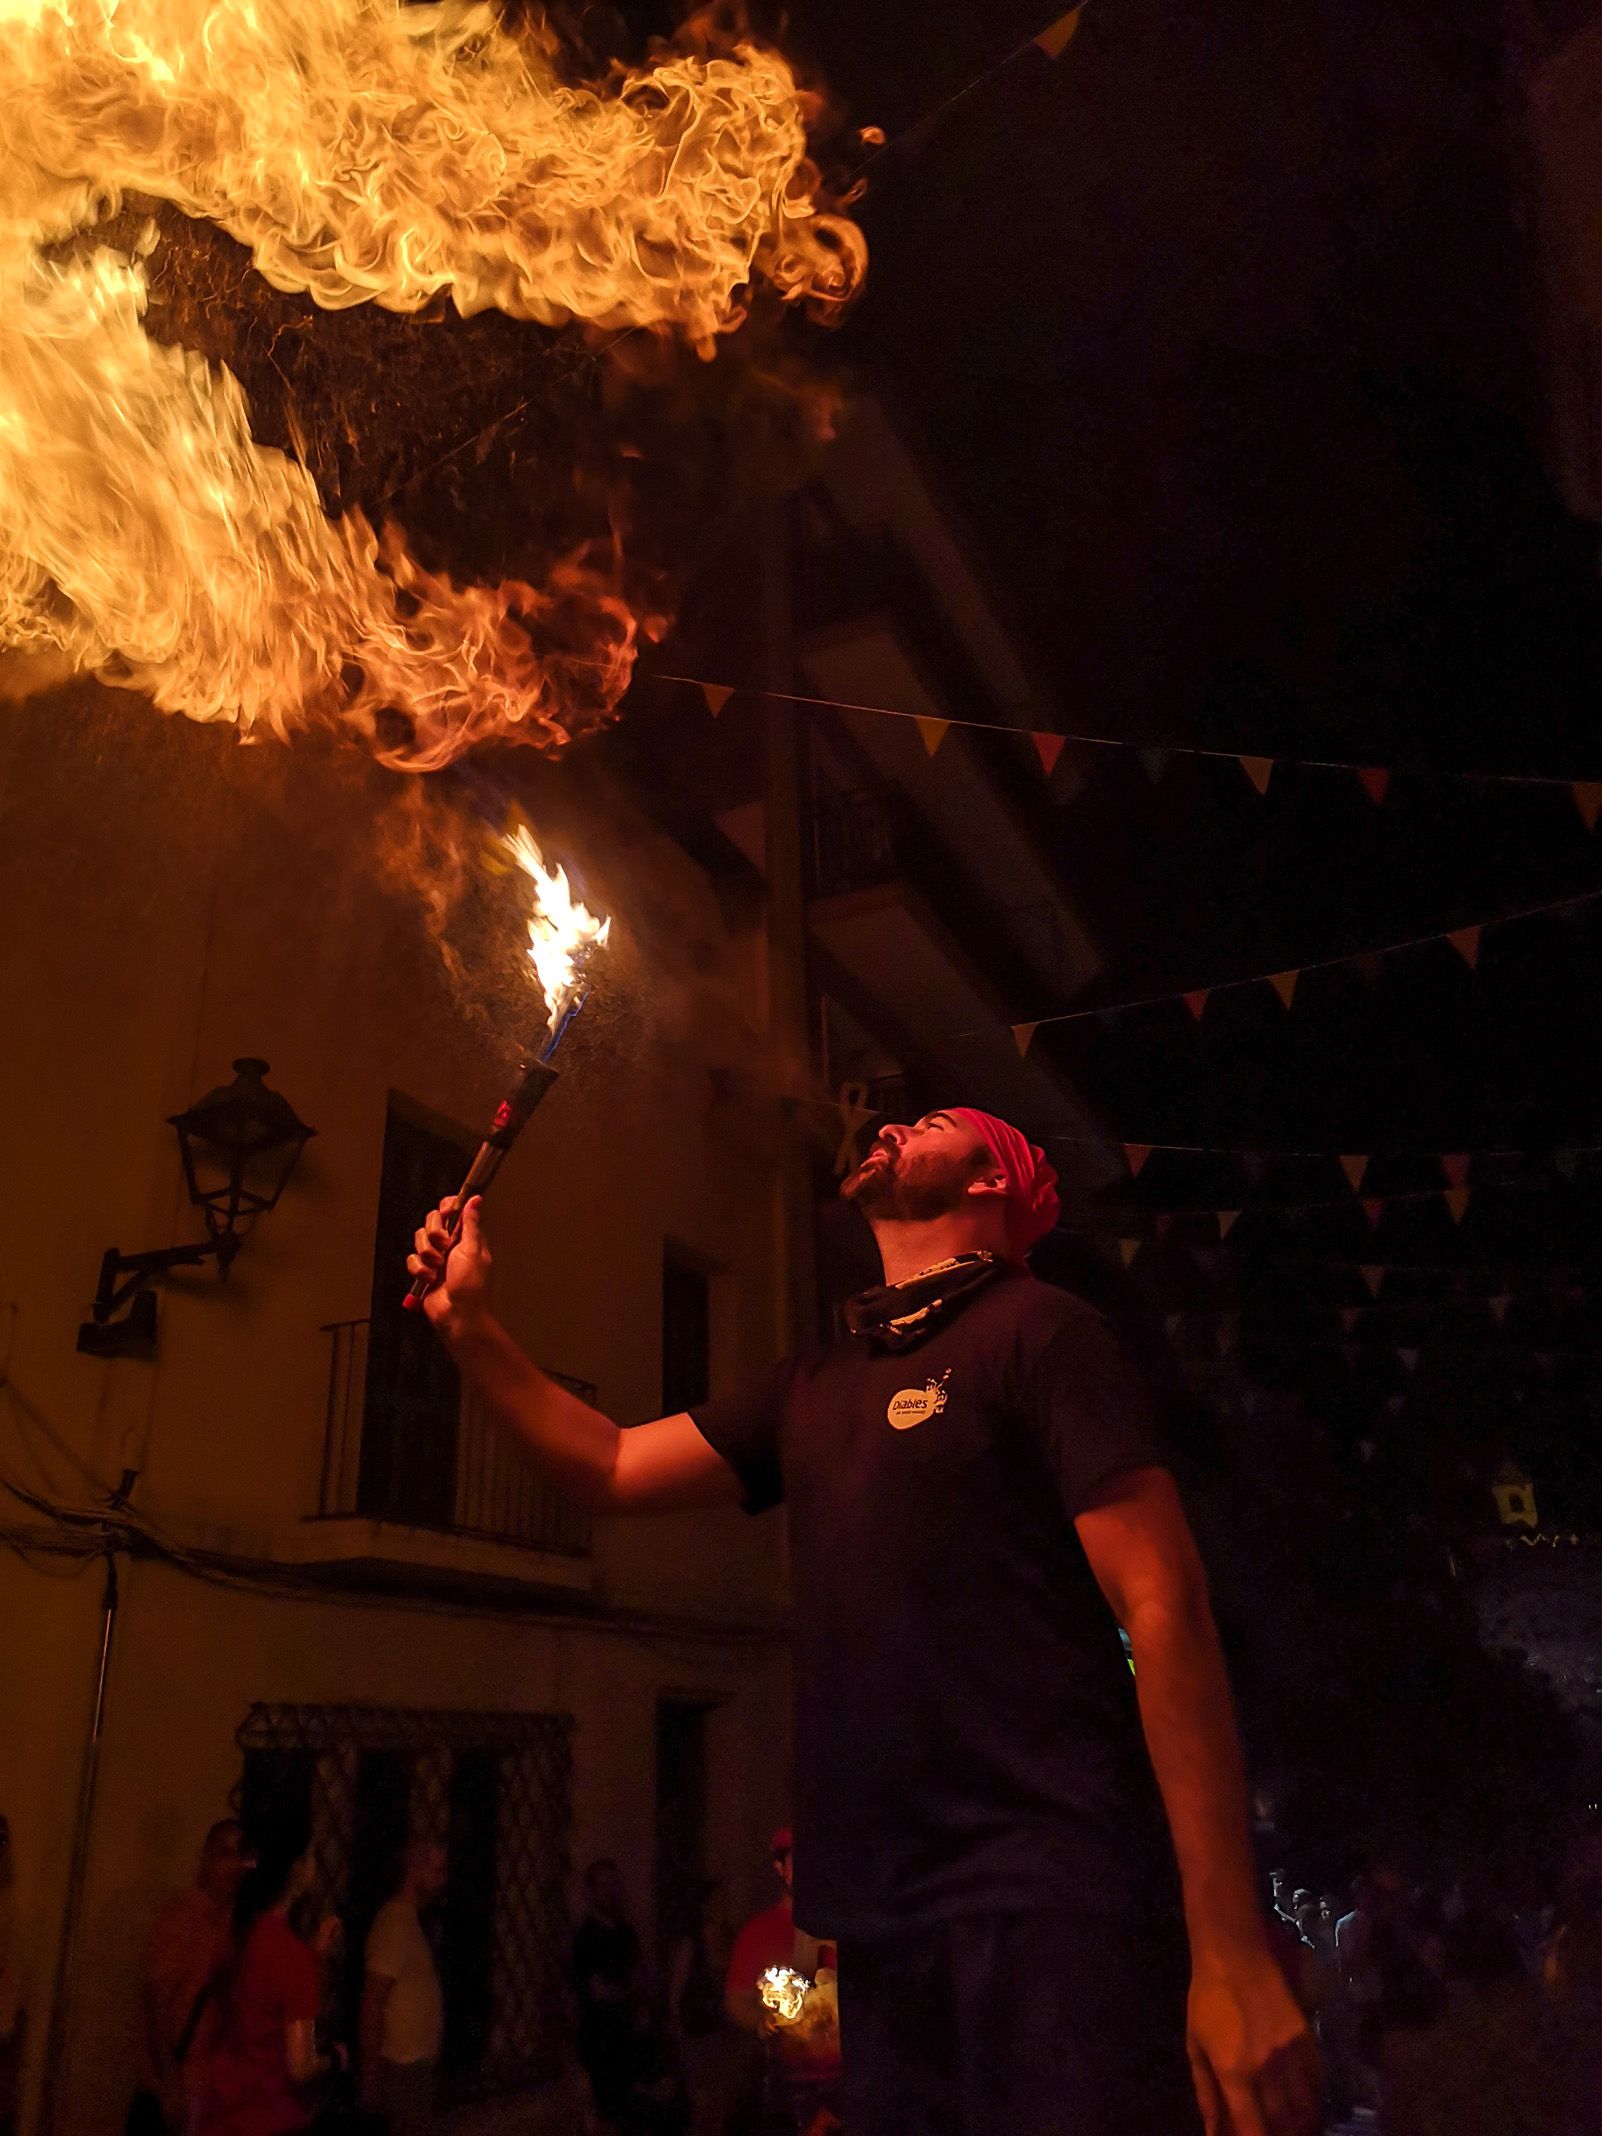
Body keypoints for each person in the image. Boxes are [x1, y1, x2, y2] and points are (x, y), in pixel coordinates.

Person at [411, 1105, 1320, 2136]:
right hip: (879, 1927)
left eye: (930, 1122)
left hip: (1049, 1903)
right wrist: (471, 1328)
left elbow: (1164, 1607)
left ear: (997, 1181)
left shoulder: (1042, 1331)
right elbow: (610, 1464)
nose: (886, 1124)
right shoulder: (818, 1380)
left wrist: (1232, 1949)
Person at [193, 1813, 343, 2136]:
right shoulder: (289, 1954)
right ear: (298, 1868)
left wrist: (313, 1957)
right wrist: (334, 2058)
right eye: (311, 1857)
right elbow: (300, 2067)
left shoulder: (240, 1934)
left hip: (221, 2109)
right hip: (270, 2116)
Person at [133, 1819, 251, 2136]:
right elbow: (155, 2000)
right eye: (225, 1854)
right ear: (206, 1857)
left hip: (206, 2092)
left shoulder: (234, 1928)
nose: (234, 1866)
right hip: (172, 2087)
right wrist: (170, 2081)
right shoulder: (182, 1918)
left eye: (241, 1857)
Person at [723, 1830, 838, 2136]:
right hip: (788, 2083)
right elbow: (737, 1999)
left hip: (843, 2082)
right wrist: (768, 2021)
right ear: (781, 1868)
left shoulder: (841, 1927)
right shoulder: (759, 1932)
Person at [360, 1838, 446, 2136]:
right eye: (436, 1871)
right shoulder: (395, 1924)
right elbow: (373, 2001)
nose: (441, 1881)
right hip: (401, 2067)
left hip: (414, 2066)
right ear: (415, 1870)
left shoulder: (411, 1923)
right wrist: (370, 2076)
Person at [571, 1860, 645, 2131]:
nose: (610, 1891)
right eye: (603, 1885)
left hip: (626, 2036)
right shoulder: (585, 1936)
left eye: (613, 1884)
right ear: (591, 1891)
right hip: (598, 2037)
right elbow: (596, 1990)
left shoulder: (626, 1932)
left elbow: (637, 1973)